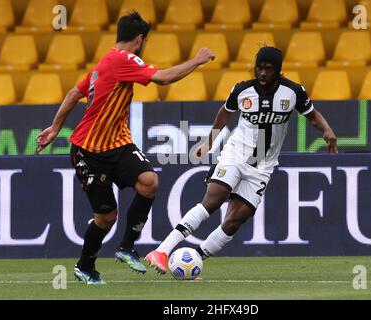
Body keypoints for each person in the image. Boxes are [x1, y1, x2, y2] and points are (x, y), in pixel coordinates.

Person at [36, 11, 215, 284]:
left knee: (149, 181)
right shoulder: (124, 59)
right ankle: (85, 266)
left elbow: (74, 93)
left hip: (117, 144)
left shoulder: (104, 63)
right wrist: (198, 61)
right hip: (88, 151)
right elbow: (164, 78)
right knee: (106, 216)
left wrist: (55, 127)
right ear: (140, 38)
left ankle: (126, 247)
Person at [145, 46, 338, 275]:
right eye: (259, 68)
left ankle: (195, 258)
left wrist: (327, 130)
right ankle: (162, 251)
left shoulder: (293, 92)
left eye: (268, 69)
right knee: (213, 200)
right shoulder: (242, 91)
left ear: (278, 70)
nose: (263, 73)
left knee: (235, 220)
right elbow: (224, 113)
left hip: (262, 166)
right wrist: (209, 143)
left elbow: (312, 115)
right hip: (235, 155)